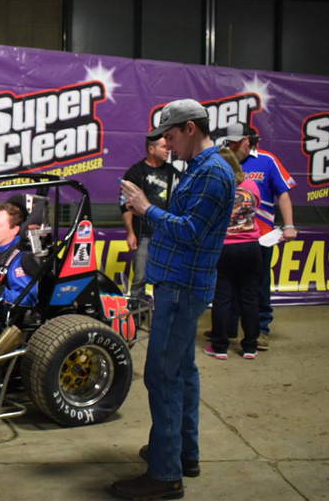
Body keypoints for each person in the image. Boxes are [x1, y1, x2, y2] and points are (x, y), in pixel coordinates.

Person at [114, 99, 235, 501]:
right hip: (177, 284)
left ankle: (165, 474)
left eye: (170, 136)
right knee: (181, 370)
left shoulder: (212, 172)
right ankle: (182, 453)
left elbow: (192, 232)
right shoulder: (198, 168)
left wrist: (146, 208)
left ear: (190, 128)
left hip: (183, 287)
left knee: (162, 376)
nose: (166, 145)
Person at [224, 122, 297, 351]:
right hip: (231, 236)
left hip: (262, 236)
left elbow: (283, 194)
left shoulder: (267, 160)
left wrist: (289, 225)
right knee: (227, 284)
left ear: (250, 141)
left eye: (238, 142)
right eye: (230, 142)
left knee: (260, 284)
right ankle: (227, 328)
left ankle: (261, 330)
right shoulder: (224, 161)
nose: (234, 146)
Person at [205, 148, 262, 361]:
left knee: (221, 298)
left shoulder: (215, 188)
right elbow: (256, 207)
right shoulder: (251, 185)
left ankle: (219, 347)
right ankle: (250, 347)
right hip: (250, 246)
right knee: (249, 298)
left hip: (224, 247)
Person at [120, 137, 180, 307]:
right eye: (163, 147)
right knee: (139, 277)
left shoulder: (174, 173)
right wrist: (130, 233)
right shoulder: (135, 172)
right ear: (151, 150)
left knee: (165, 279)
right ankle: (137, 314)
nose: (168, 150)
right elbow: (125, 205)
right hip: (144, 235)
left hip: (167, 236)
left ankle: (162, 312)